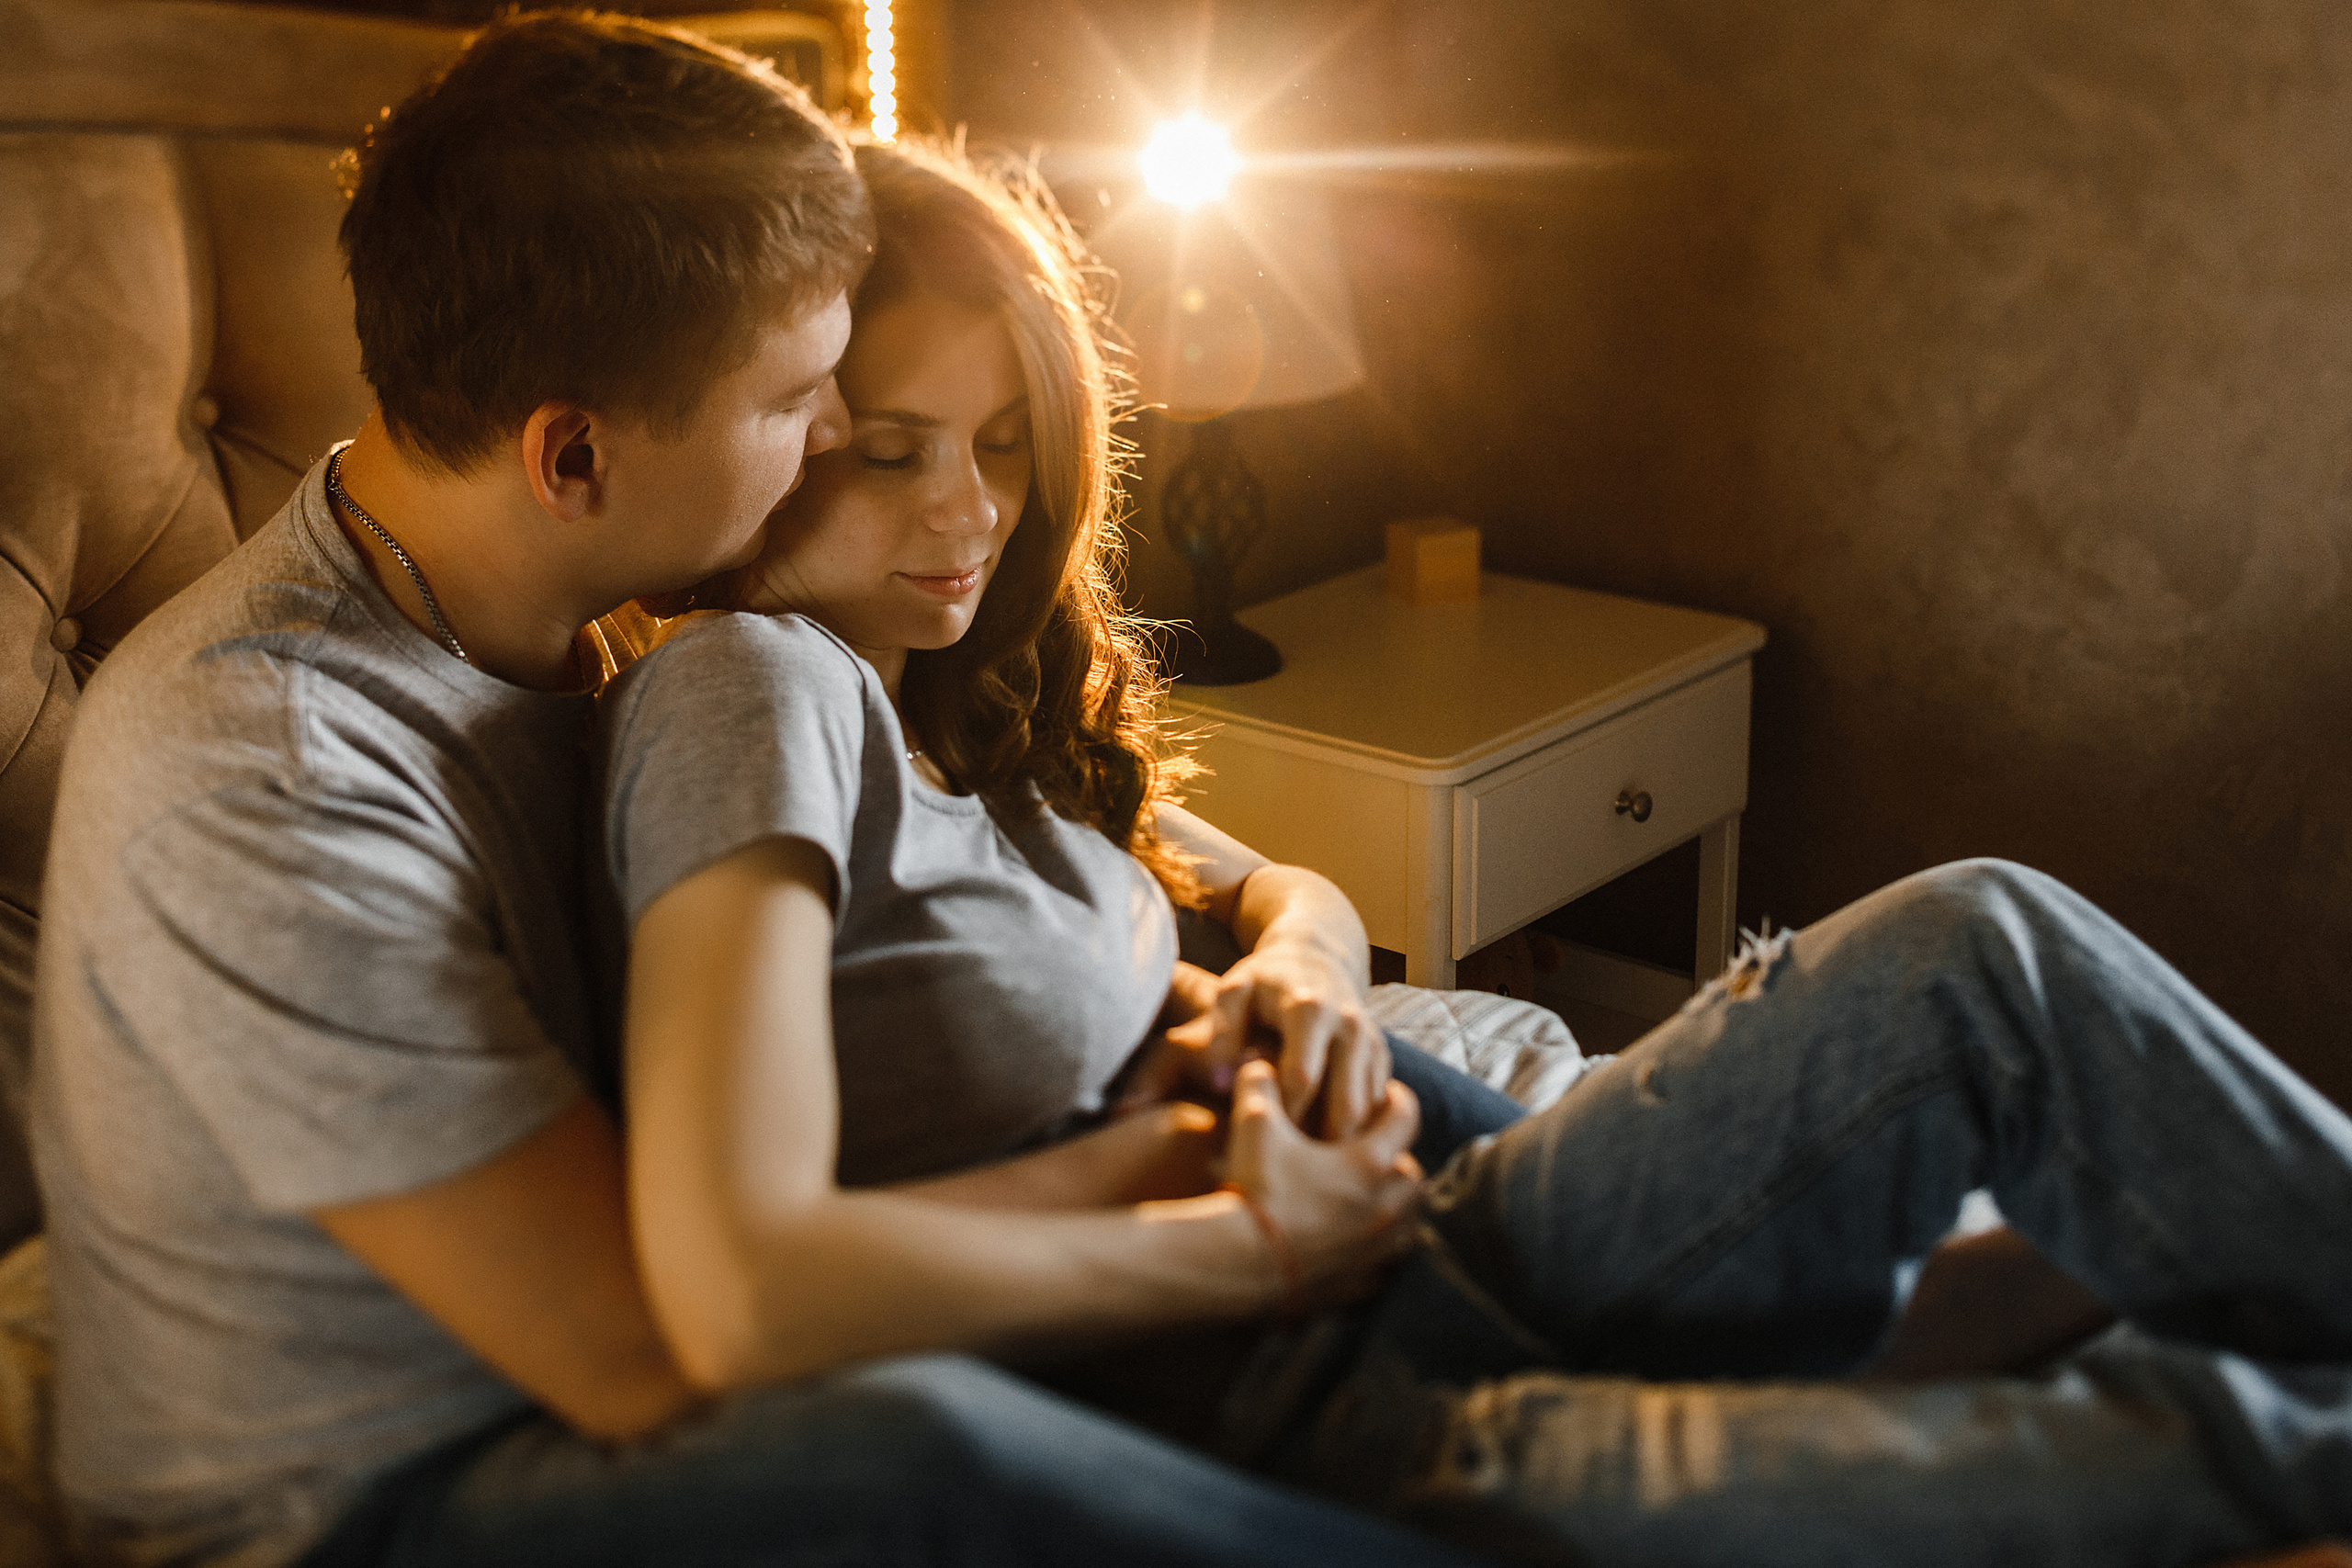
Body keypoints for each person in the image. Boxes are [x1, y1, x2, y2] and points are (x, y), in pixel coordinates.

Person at [594, 139, 2352, 1567]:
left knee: (1987, 944)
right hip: (1309, 1417)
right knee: (2180, 1461)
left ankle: (1969, 1294)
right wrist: (1226, 1218)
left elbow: (1288, 890)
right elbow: (755, 1267)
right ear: (769, 432)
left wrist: (1295, 988)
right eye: (889, 452)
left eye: (999, 448)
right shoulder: (754, 685)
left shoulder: (961, 709)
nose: (970, 513)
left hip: (1443, 1237)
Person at [30, 17, 1498, 1568]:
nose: (820, 446)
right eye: (807, 406)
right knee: (923, 1444)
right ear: (574, 456)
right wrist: (1213, 1214)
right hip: (362, 1496)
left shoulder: (580, 606)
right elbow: (647, 1348)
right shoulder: (270, 768)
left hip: (642, 1351)